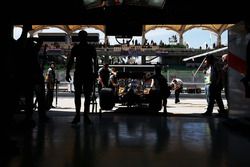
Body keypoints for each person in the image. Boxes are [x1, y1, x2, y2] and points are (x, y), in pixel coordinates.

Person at [66, 30, 98, 124]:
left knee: (79, 95)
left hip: (80, 73)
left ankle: (78, 115)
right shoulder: (90, 48)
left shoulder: (77, 48)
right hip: (87, 73)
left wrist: (68, 72)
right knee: (86, 95)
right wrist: (95, 72)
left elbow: (71, 61)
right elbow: (95, 61)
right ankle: (84, 115)